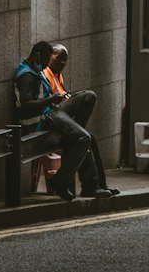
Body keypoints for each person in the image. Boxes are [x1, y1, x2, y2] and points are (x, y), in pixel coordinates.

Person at [12, 40, 93, 200]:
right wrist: (51, 100)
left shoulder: (33, 70)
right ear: (37, 56)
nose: (45, 67)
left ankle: (74, 133)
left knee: (88, 97)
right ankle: (59, 181)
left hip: (51, 111)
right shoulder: (27, 75)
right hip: (44, 118)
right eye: (44, 62)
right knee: (85, 138)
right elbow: (26, 106)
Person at [45, 44, 119, 199]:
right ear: (49, 56)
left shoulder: (58, 75)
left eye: (65, 60)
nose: (63, 63)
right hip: (53, 119)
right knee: (88, 97)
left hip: (62, 119)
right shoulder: (45, 73)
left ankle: (96, 185)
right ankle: (87, 185)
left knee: (88, 137)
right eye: (59, 59)